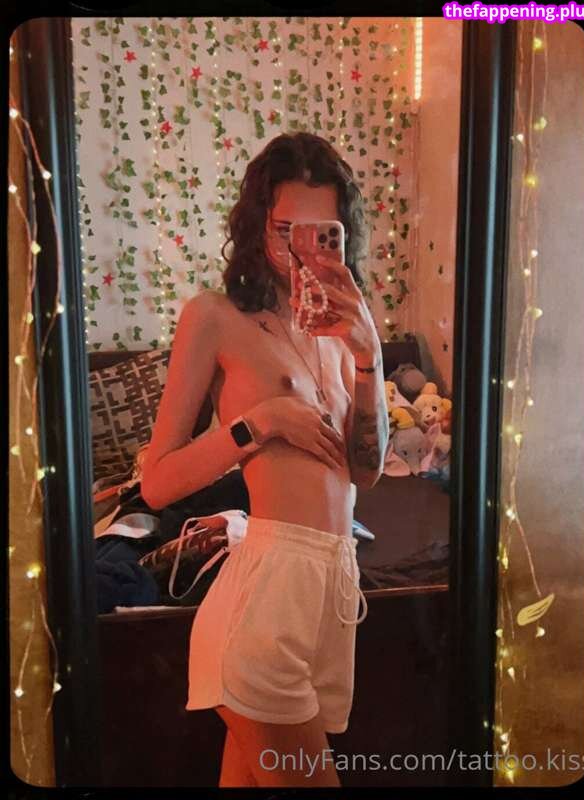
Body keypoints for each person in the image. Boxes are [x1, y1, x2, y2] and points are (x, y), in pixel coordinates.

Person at [141, 132, 389, 787]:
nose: (301, 251)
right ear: (256, 226)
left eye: (321, 233)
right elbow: (157, 484)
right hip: (264, 608)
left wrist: (369, 355)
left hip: (331, 600)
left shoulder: (338, 330)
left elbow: (367, 470)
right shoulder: (214, 317)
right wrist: (259, 424)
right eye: (285, 231)